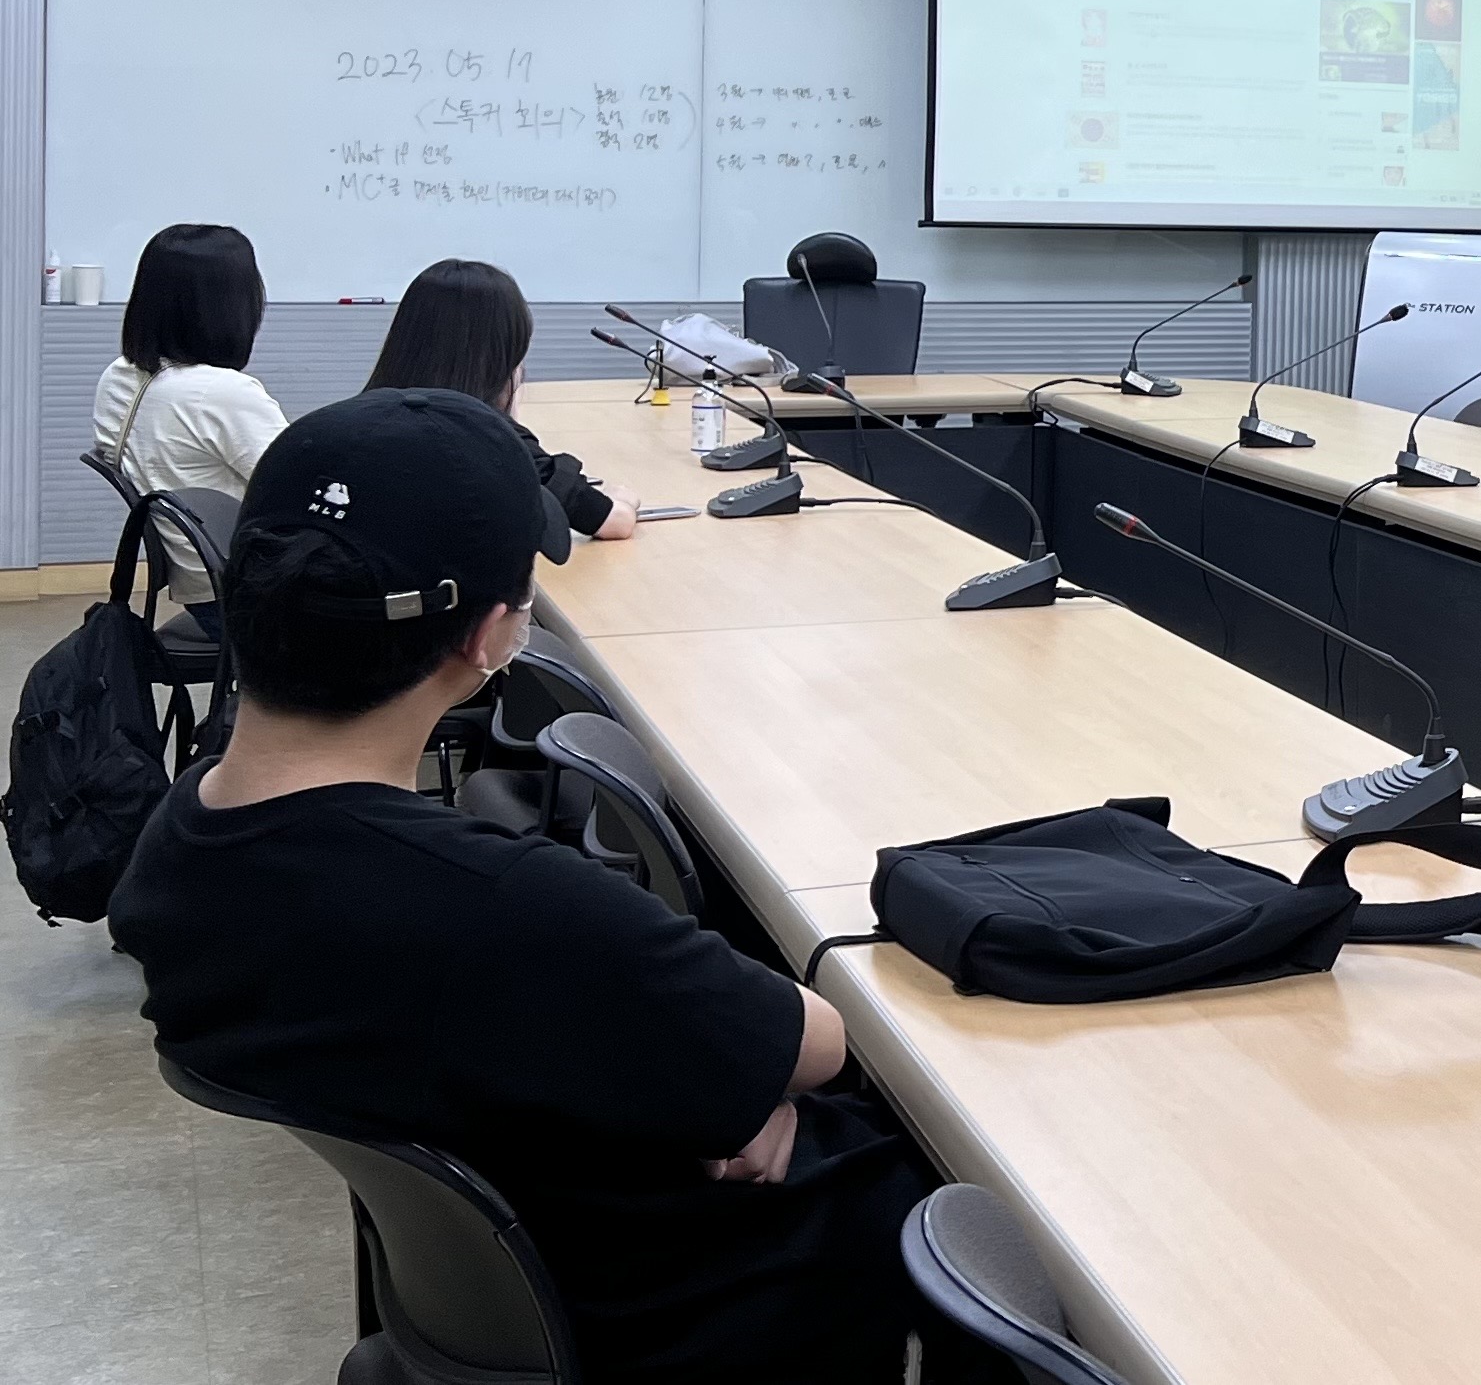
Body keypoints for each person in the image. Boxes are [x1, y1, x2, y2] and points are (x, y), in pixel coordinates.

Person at [107, 390, 977, 1383]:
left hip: (499, 1286)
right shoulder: (502, 906)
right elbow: (816, 1043)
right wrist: (714, 1092)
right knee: (959, 1165)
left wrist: (688, 1085)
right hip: (661, 1311)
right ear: (488, 640)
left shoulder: (173, 853)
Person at [366, 256, 641, 555]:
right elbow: (614, 522)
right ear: (504, 352)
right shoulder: (489, 437)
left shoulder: (360, 420)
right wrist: (623, 498)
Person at [91, 222, 286, 502]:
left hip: (170, 531)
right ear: (232, 305)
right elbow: (303, 487)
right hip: (232, 532)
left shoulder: (117, 376)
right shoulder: (222, 393)